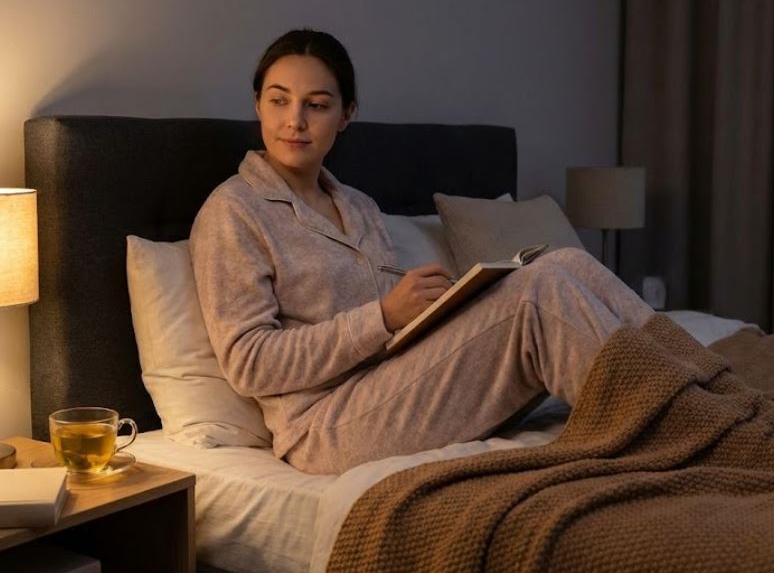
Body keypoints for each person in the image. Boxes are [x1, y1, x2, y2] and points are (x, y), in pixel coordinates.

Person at [189, 29, 653, 475]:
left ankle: (687, 384)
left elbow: (394, 332)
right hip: (324, 422)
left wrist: (444, 308)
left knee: (563, 262)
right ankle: (668, 421)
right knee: (539, 294)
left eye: (317, 104)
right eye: (279, 100)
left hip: (397, 379)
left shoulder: (359, 206)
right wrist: (383, 316)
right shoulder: (234, 210)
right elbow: (249, 364)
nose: (295, 120)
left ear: (346, 115)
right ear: (258, 104)